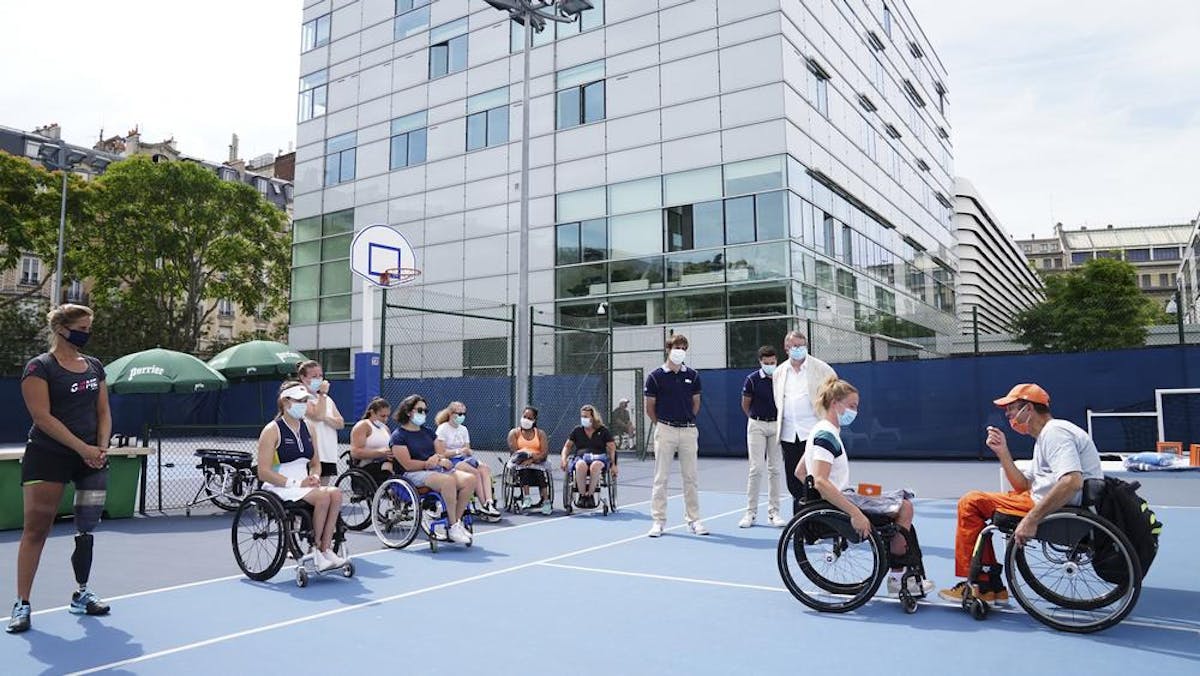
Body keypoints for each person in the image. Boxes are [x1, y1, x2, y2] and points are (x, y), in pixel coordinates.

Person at [938, 383, 1103, 603]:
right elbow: (1023, 486)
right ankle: (989, 585)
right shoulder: (1046, 436)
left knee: (971, 502)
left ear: (1028, 408)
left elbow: (1072, 481)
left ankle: (980, 585)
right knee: (977, 501)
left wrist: (1031, 520)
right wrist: (1003, 452)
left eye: (1012, 408)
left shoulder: (1055, 433)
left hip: (1056, 507)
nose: (1007, 414)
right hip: (1041, 500)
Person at [9, 305, 111, 634]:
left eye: (89, 327)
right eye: (82, 327)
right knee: (36, 530)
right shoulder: (39, 367)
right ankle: (22, 603)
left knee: (86, 529)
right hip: (48, 455)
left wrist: (101, 448)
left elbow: (103, 412)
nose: (87, 332)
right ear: (62, 329)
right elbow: (43, 418)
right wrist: (82, 448)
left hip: (90, 459)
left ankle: (81, 593)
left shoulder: (95, 366)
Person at [800, 376, 934, 597]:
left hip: (837, 497)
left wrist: (829, 491)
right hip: (837, 505)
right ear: (835, 403)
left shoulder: (821, 431)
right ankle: (898, 578)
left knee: (898, 498)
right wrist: (854, 513)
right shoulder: (826, 435)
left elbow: (801, 473)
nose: (855, 411)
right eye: (851, 406)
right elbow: (822, 482)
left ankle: (903, 574)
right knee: (905, 508)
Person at [256, 381, 347, 571]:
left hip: (304, 486)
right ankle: (315, 549)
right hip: (279, 486)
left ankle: (325, 549)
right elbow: (263, 471)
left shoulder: (309, 428)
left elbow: (315, 463)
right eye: (299, 400)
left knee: (336, 493)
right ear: (285, 402)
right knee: (323, 496)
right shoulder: (271, 430)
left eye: (306, 400)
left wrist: (314, 476)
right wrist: (296, 482)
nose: (304, 404)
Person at [391, 395, 475, 544]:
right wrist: (427, 464)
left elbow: (440, 452)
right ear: (408, 412)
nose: (423, 413)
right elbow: (407, 465)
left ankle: (454, 523)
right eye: (420, 410)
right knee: (447, 481)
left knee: (469, 479)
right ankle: (454, 525)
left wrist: (441, 459)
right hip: (412, 474)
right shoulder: (398, 436)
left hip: (434, 470)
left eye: (425, 410)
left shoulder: (428, 432)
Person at [645, 333, 707, 537]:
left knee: (691, 477)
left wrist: (687, 419)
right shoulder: (655, 376)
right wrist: (663, 424)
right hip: (665, 429)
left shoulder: (693, 375)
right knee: (661, 477)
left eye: (683, 348)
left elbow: (696, 403)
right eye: (676, 347)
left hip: (688, 430)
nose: (680, 351)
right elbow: (650, 407)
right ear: (668, 349)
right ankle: (658, 521)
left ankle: (694, 520)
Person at [773, 330, 836, 516]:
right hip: (789, 434)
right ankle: (801, 526)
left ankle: (822, 520)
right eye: (794, 346)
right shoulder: (779, 372)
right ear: (786, 348)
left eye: (801, 346)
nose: (798, 349)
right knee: (794, 482)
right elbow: (779, 401)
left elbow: (834, 394)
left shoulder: (822, 368)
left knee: (817, 479)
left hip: (813, 434)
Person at [740, 346, 785, 528]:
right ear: (760, 362)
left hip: (776, 425)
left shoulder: (781, 378)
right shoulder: (751, 380)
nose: (770, 365)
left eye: (773, 362)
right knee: (756, 469)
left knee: (775, 470)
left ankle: (774, 513)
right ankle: (750, 513)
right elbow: (745, 404)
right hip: (757, 424)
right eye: (766, 363)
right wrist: (755, 419)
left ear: (776, 361)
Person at [435, 401, 500, 519]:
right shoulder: (442, 429)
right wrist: (458, 451)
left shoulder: (464, 429)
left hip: (465, 459)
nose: (461, 416)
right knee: (475, 472)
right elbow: (441, 453)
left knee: (484, 469)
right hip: (451, 462)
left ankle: (489, 503)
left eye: (463, 414)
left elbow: (467, 450)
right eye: (459, 414)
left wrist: (468, 452)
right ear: (451, 413)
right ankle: (484, 504)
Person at [560, 405, 618, 509]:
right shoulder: (577, 431)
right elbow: (567, 447)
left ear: (593, 417)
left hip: (599, 458)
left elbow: (612, 448)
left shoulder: (603, 431)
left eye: (586, 416)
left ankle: (590, 495)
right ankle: (582, 496)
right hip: (581, 457)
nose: (583, 419)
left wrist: (614, 465)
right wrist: (563, 459)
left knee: (595, 466)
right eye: (582, 416)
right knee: (580, 465)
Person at [298, 360, 344, 486]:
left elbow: (340, 423)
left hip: (328, 452)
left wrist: (325, 417)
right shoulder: (300, 397)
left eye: (320, 376)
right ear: (303, 377)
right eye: (314, 376)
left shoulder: (327, 400)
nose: (319, 379)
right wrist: (323, 394)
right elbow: (317, 415)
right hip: (312, 453)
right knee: (311, 490)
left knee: (324, 490)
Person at [506, 406, 553, 515]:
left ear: (534, 420)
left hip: (538, 461)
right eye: (524, 417)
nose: (526, 419)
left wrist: (532, 460)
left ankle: (546, 501)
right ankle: (526, 497)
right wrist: (524, 459)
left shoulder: (540, 434)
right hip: (520, 461)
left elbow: (544, 453)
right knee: (524, 470)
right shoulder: (514, 433)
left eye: (529, 418)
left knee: (540, 472)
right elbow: (514, 452)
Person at [349, 397, 393, 481]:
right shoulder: (363, 426)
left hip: (384, 464)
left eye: (387, 416)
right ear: (372, 413)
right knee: (388, 466)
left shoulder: (386, 429)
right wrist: (380, 453)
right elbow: (355, 452)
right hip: (366, 467)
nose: (385, 419)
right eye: (382, 416)